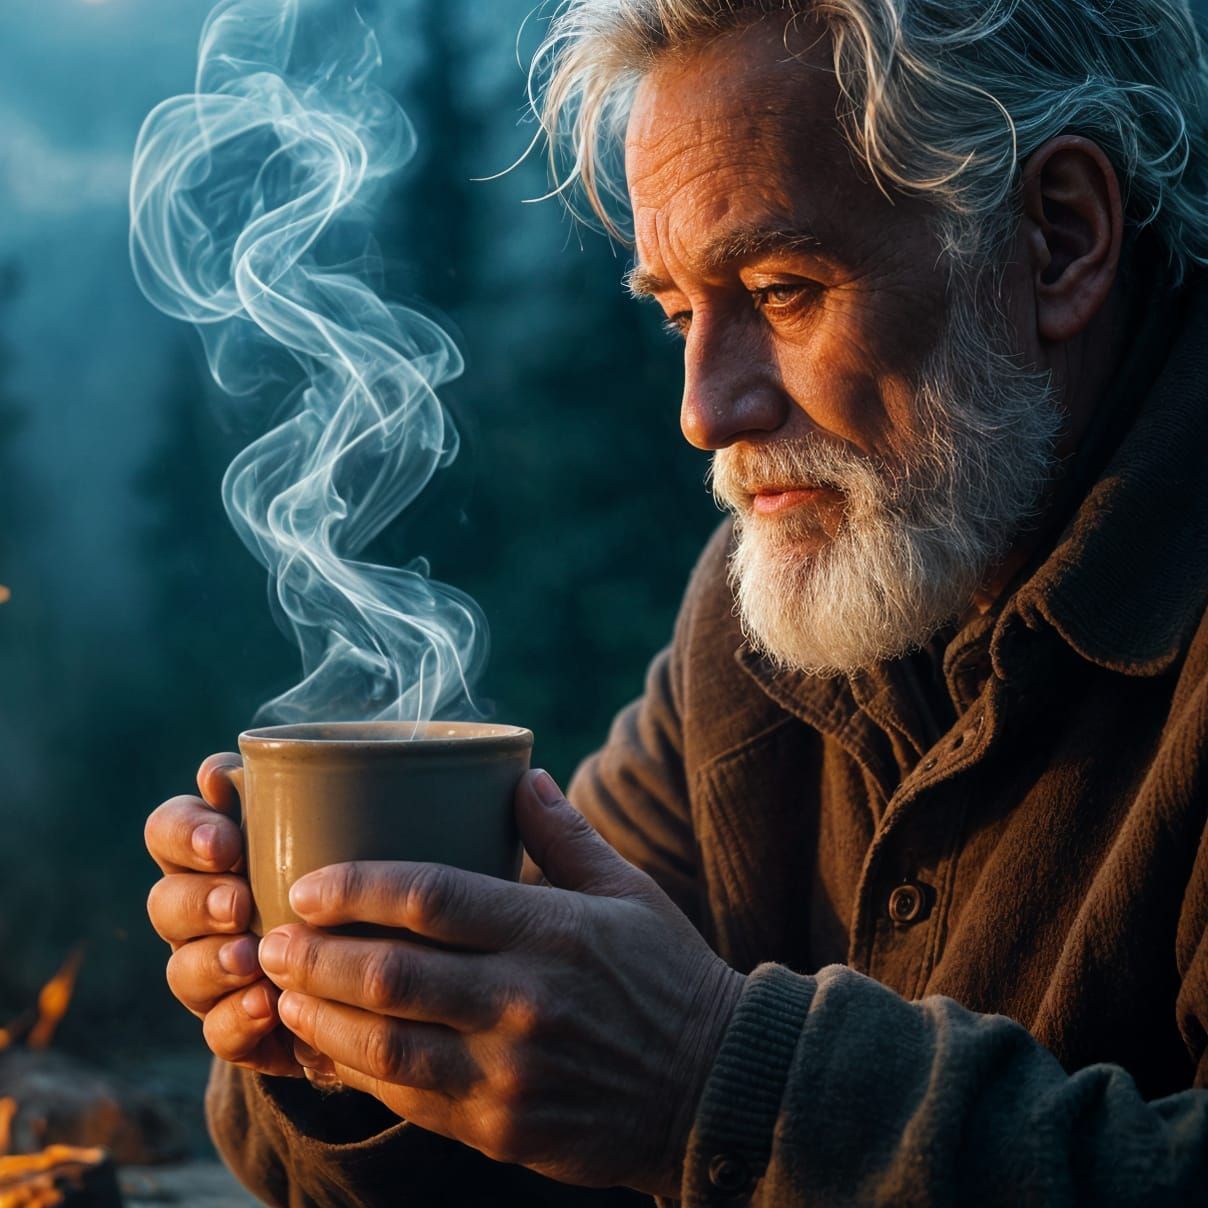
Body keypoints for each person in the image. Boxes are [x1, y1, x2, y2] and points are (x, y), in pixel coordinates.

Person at [145, 1, 1208, 1204]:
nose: (703, 410)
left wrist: (715, 1083)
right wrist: (345, 1033)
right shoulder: (774, 615)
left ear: (1056, 239)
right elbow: (544, 1093)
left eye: (781, 287)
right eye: (676, 313)